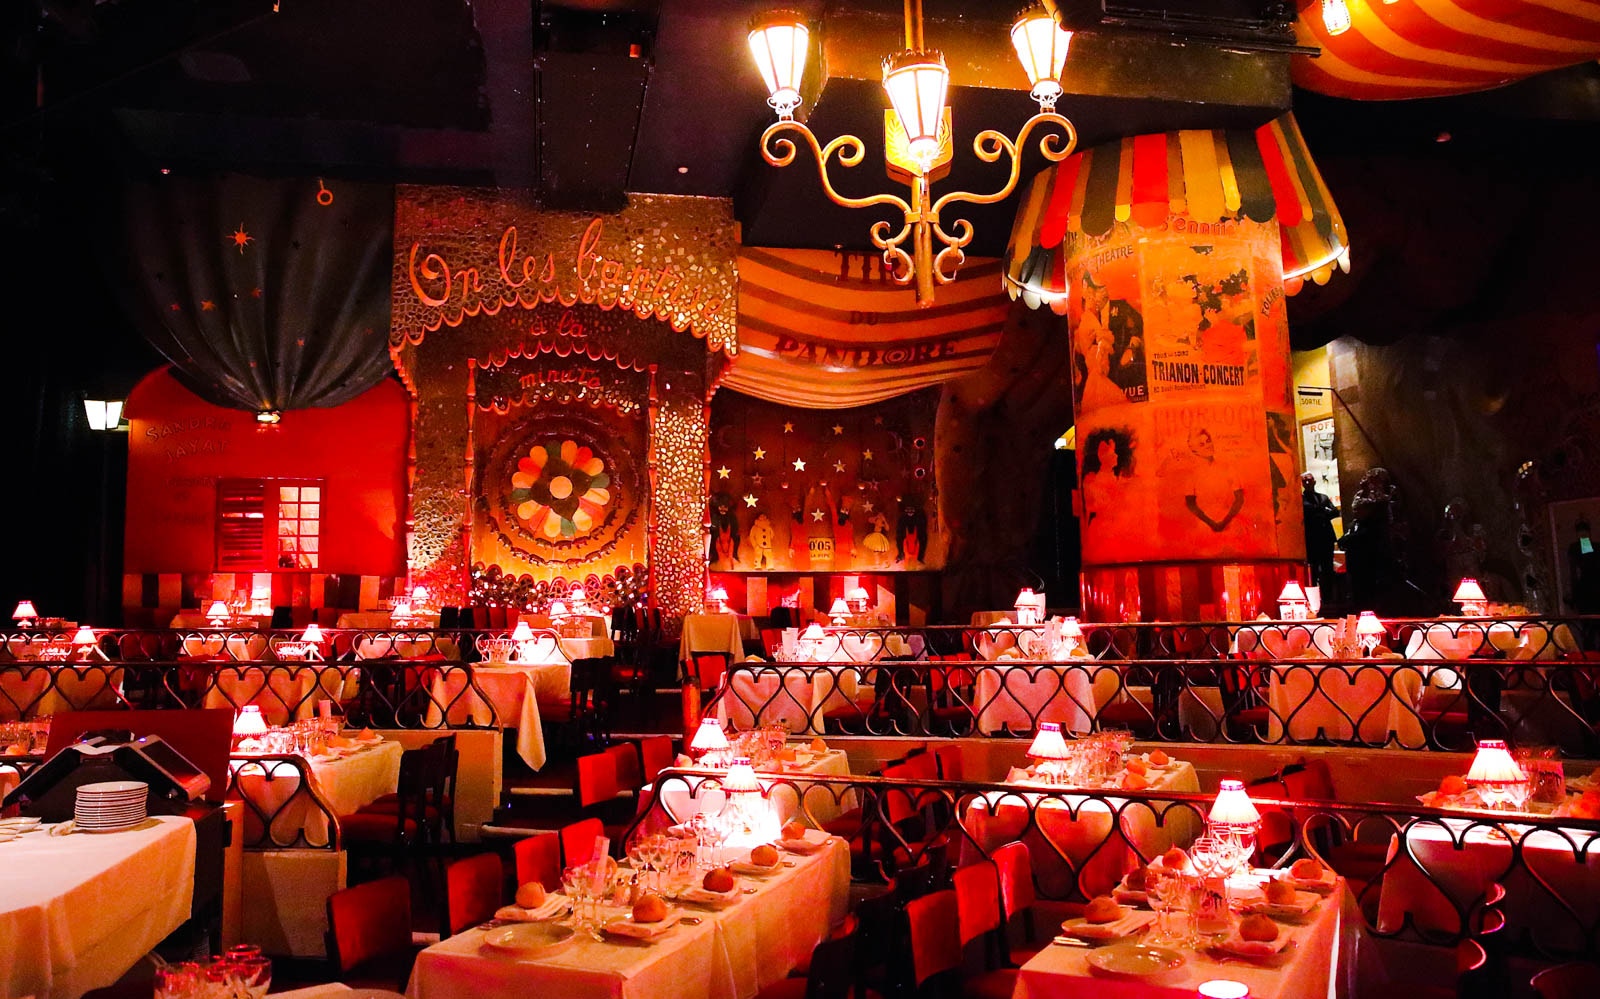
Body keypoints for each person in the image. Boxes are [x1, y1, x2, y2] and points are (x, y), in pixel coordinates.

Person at [1182, 427, 1243, 535]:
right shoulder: (1192, 475)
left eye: (1208, 441)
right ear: (1194, 451)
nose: (1208, 445)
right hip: (1204, 528)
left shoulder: (1228, 467)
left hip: (1231, 525)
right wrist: (1211, 524)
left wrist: (1224, 522)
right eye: (1202, 444)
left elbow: (1239, 499)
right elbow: (1190, 504)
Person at [1301, 473, 1339, 588]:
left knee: (1328, 567)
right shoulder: (1301, 499)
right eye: (1305, 481)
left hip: (1326, 537)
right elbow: (1308, 513)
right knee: (1313, 568)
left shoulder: (1323, 497)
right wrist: (1323, 511)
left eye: (1309, 480)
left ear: (1314, 481)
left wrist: (1320, 512)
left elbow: (1335, 512)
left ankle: (1328, 596)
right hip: (1312, 539)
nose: (1307, 483)